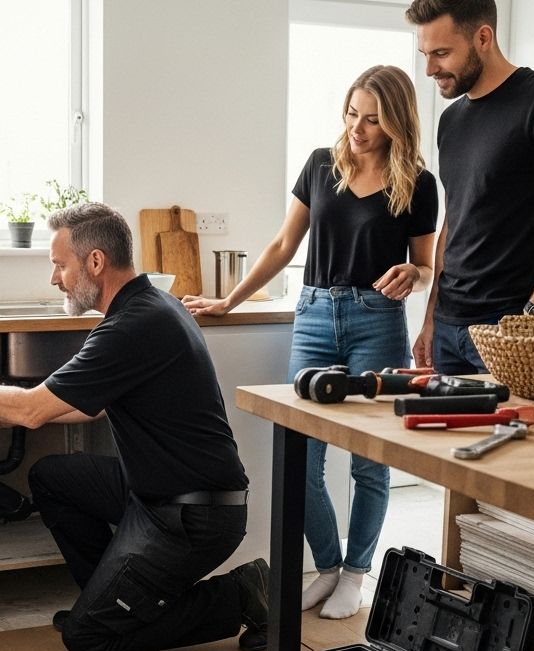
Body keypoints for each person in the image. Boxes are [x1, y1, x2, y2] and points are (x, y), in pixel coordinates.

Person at [0, 201, 268, 651]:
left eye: (60, 264)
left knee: (89, 641)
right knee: (52, 478)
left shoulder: (133, 325)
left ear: (95, 262)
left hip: (192, 515)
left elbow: (35, 409)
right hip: (155, 491)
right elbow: (88, 405)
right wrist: (10, 413)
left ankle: (242, 594)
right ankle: (114, 599)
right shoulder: (150, 304)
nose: (54, 278)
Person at [185, 65, 436, 620]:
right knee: (300, 457)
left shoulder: (418, 182)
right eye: (352, 114)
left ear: (396, 122)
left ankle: (355, 573)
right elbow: (281, 244)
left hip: (378, 321)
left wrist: (412, 276)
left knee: (370, 463)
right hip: (316, 315)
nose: (358, 129)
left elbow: (426, 267)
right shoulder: (322, 165)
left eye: (373, 119)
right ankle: (327, 567)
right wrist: (231, 300)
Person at [405, 0, 534, 375]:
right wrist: (431, 317)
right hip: (449, 328)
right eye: (426, 54)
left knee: (513, 435)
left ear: (483, 37)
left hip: (513, 328)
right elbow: (455, 220)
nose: (431, 68)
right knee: (443, 435)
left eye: (442, 53)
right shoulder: (451, 120)